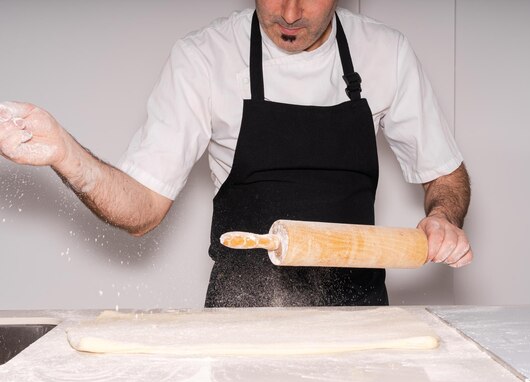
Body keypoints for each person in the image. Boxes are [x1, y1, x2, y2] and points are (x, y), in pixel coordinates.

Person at [0, 0, 472, 307]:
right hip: (244, 311)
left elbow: (446, 175)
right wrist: (65, 153)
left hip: (361, 313)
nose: (289, 13)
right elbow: (141, 209)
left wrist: (444, 218)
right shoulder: (205, 58)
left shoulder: (385, 53)